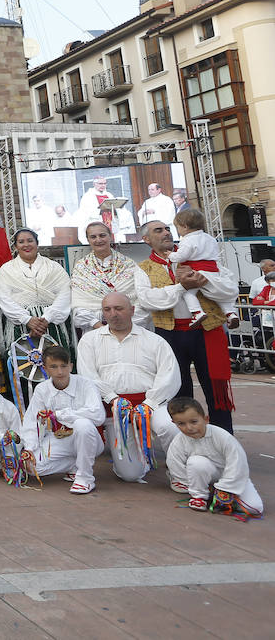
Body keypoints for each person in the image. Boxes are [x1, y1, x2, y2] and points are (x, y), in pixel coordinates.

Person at [132, 220, 238, 433]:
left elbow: (229, 290)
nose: (166, 233)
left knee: (215, 387)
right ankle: (184, 439)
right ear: (146, 239)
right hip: (170, 334)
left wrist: (205, 282)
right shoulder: (144, 268)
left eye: (168, 229)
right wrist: (182, 287)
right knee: (177, 389)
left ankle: (223, 438)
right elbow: (148, 300)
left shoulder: (198, 257)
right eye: (158, 230)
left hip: (206, 331)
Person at [76, 292, 183, 487]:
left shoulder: (154, 340)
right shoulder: (89, 340)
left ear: (132, 310)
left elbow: (170, 376)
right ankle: (139, 455)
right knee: (131, 475)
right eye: (107, 310)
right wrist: (113, 399)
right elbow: (87, 376)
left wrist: (149, 404)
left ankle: (179, 474)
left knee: (169, 426)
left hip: (151, 403)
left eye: (119, 308)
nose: (113, 314)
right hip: (114, 408)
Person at [20, 345, 106, 495]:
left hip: (89, 438)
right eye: (53, 367)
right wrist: (29, 449)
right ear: (45, 369)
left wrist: (59, 415)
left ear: (71, 366)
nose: (60, 372)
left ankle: (85, 478)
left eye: (63, 366)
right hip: (60, 438)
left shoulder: (86, 384)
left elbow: (98, 415)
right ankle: (75, 464)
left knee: (82, 424)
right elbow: (32, 422)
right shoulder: (42, 389)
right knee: (32, 467)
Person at [167, 396, 263, 517]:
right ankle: (199, 496)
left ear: (206, 419)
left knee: (255, 508)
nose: (189, 428)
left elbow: (238, 463)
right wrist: (189, 483)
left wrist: (226, 488)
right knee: (196, 462)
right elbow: (174, 463)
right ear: (174, 423)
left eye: (194, 422)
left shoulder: (222, 436)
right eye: (181, 424)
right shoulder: (179, 441)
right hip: (205, 475)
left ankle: (219, 495)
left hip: (231, 476)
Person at [0, 229, 74, 355]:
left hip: (51, 326)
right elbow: (4, 298)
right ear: (16, 246)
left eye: (30, 240)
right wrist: (27, 320)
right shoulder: (6, 270)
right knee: (25, 371)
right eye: (21, 242)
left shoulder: (54, 267)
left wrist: (47, 319)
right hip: (20, 327)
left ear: (37, 243)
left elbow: (65, 294)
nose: (26, 245)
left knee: (55, 365)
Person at [70, 223, 147, 335]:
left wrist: (122, 327)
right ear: (88, 240)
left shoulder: (128, 265)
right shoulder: (81, 267)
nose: (98, 240)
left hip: (129, 330)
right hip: (95, 330)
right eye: (93, 237)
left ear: (110, 236)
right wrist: (102, 328)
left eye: (102, 235)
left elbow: (139, 302)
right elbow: (78, 307)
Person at [171, 207, 239, 326]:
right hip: (214, 271)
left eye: (178, 227)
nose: (178, 230)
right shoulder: (210, 238)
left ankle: (197, 312)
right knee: (219, 295)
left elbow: (181, 256)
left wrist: (171, 255)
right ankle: (230, 313)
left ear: (185, 226)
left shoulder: (187, 240)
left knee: (188, 292)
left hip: (197, 272)